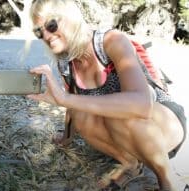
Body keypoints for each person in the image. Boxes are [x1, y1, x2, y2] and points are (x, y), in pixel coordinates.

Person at [27, 0, 187, 190]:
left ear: (70, 18)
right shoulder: (66, 63)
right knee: (82, 112)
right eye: (39, 32)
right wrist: (65, 138)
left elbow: (142, 105)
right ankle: (130, 164)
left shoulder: (111, 41)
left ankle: (167, 180)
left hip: (162, 125)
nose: (46, 35)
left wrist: (66, 98)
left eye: (51, 25)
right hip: (128, 136)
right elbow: (74, 107)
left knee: (119, 115)